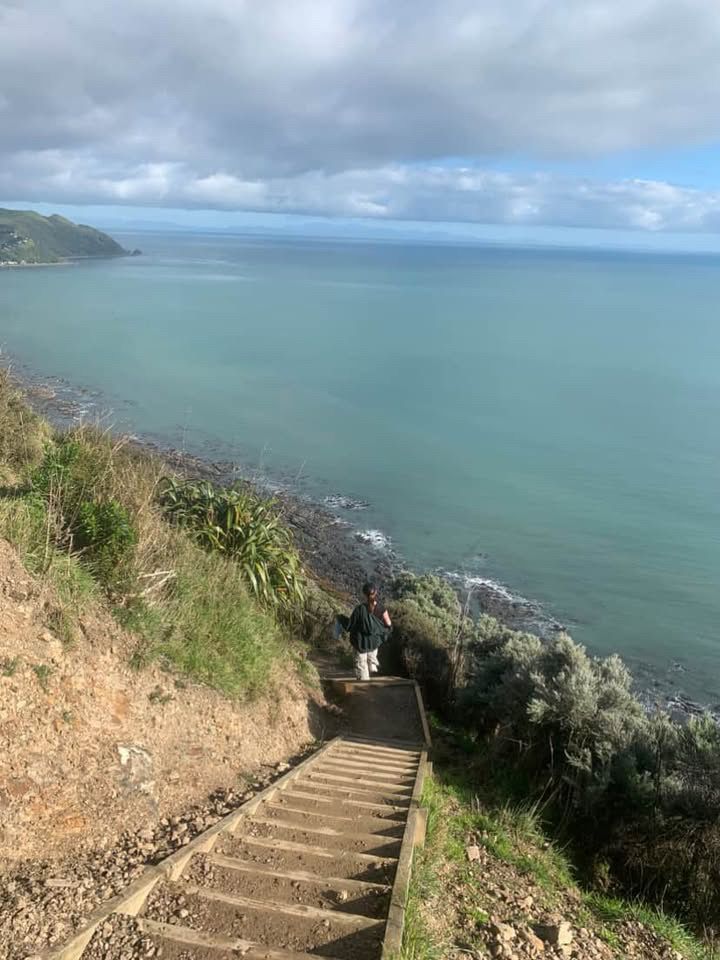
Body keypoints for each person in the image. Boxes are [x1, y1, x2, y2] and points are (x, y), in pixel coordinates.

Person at [346, 582, 391, 681]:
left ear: (364, 594)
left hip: (361, 642)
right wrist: (380, 633)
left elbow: (351, 625)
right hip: (374, 642)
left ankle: (364, 681)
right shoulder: (382, 609)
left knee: (361, 665)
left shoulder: (359, 609)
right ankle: (372, 663)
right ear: (376, 592)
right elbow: (388, 624)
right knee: (370, 657)